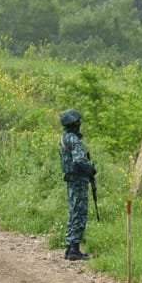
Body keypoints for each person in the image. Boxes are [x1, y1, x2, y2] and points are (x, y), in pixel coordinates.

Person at [58, 108, 96, 261]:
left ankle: (70, 247)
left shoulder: (65, 138)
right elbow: (79, 159)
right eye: (78, 122)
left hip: (72, 179)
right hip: (78, 180)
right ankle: (74, 249)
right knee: (79, 212)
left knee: (74, 211)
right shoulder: (73, 139)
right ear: (74, 123)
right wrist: (91, 169)